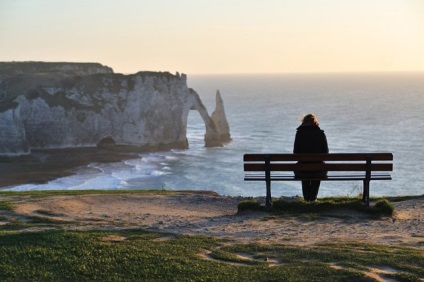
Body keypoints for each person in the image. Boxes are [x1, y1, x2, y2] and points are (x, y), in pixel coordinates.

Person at [293, 113, 329, 202]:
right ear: (315, 122)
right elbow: (326, 153)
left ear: (303, 122)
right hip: (318, 171)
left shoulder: (299, 134)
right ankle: (313, 198)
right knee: (318, 168)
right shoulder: (320, 134)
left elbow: (295, 153)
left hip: (302, 171)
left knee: (304, 168)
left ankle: (306, 198)